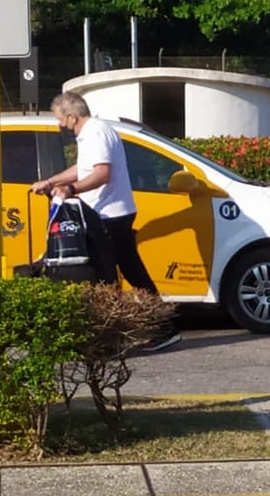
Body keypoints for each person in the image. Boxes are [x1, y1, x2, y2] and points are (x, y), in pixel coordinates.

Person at [32, 92, 181, 352]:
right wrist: (53, 182)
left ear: (71, 116)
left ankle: (121, 333)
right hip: (107, 212)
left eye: (59, 119)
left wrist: (71, 189)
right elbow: (84, 168)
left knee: (109, 274)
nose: (58, 124)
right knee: (126, 270)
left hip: (110, 214)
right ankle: (155, 326)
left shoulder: (96, 133)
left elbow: (102, 174)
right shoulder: (92, 133)